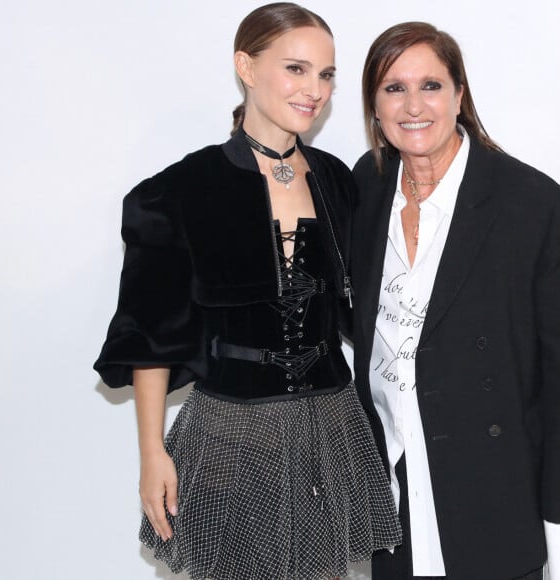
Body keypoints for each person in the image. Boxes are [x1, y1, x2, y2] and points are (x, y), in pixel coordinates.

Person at [94, 4, 401, 579]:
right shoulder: (180, 191)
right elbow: (150, 335)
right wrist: (152, 452)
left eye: (326, 75)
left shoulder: (339, 180)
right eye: (296, 69)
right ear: (246, 66)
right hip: (230, 434)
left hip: (331, 430)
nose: (315, 90)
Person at [351, 21, 560, 580]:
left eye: (431, 86)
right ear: (374, 104)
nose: (413, 105)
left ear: (460, 95)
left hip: (493, 494)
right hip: (391, 492)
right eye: (394, 88)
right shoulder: (365, 190)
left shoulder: (531, 203)